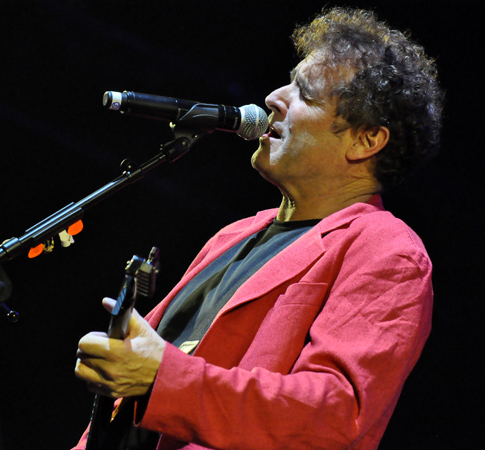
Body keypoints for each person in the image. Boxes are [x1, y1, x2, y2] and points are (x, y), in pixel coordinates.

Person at [72, 7, 443, 450]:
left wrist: (165, 377)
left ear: (366, 140)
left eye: (303, 94)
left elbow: (332, 415)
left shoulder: (386, 250)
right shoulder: (233, 236)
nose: (272, 97)